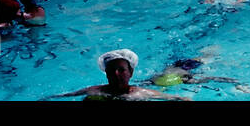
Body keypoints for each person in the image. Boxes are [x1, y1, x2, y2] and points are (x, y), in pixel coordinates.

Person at [49, 50, 185, 101]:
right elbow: (62, 96)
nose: (116, 74)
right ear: (106, 74)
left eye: (121, 70)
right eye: (111, 70)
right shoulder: (95, 91)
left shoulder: (141, 93)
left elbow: (177, 98)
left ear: (130, 73)